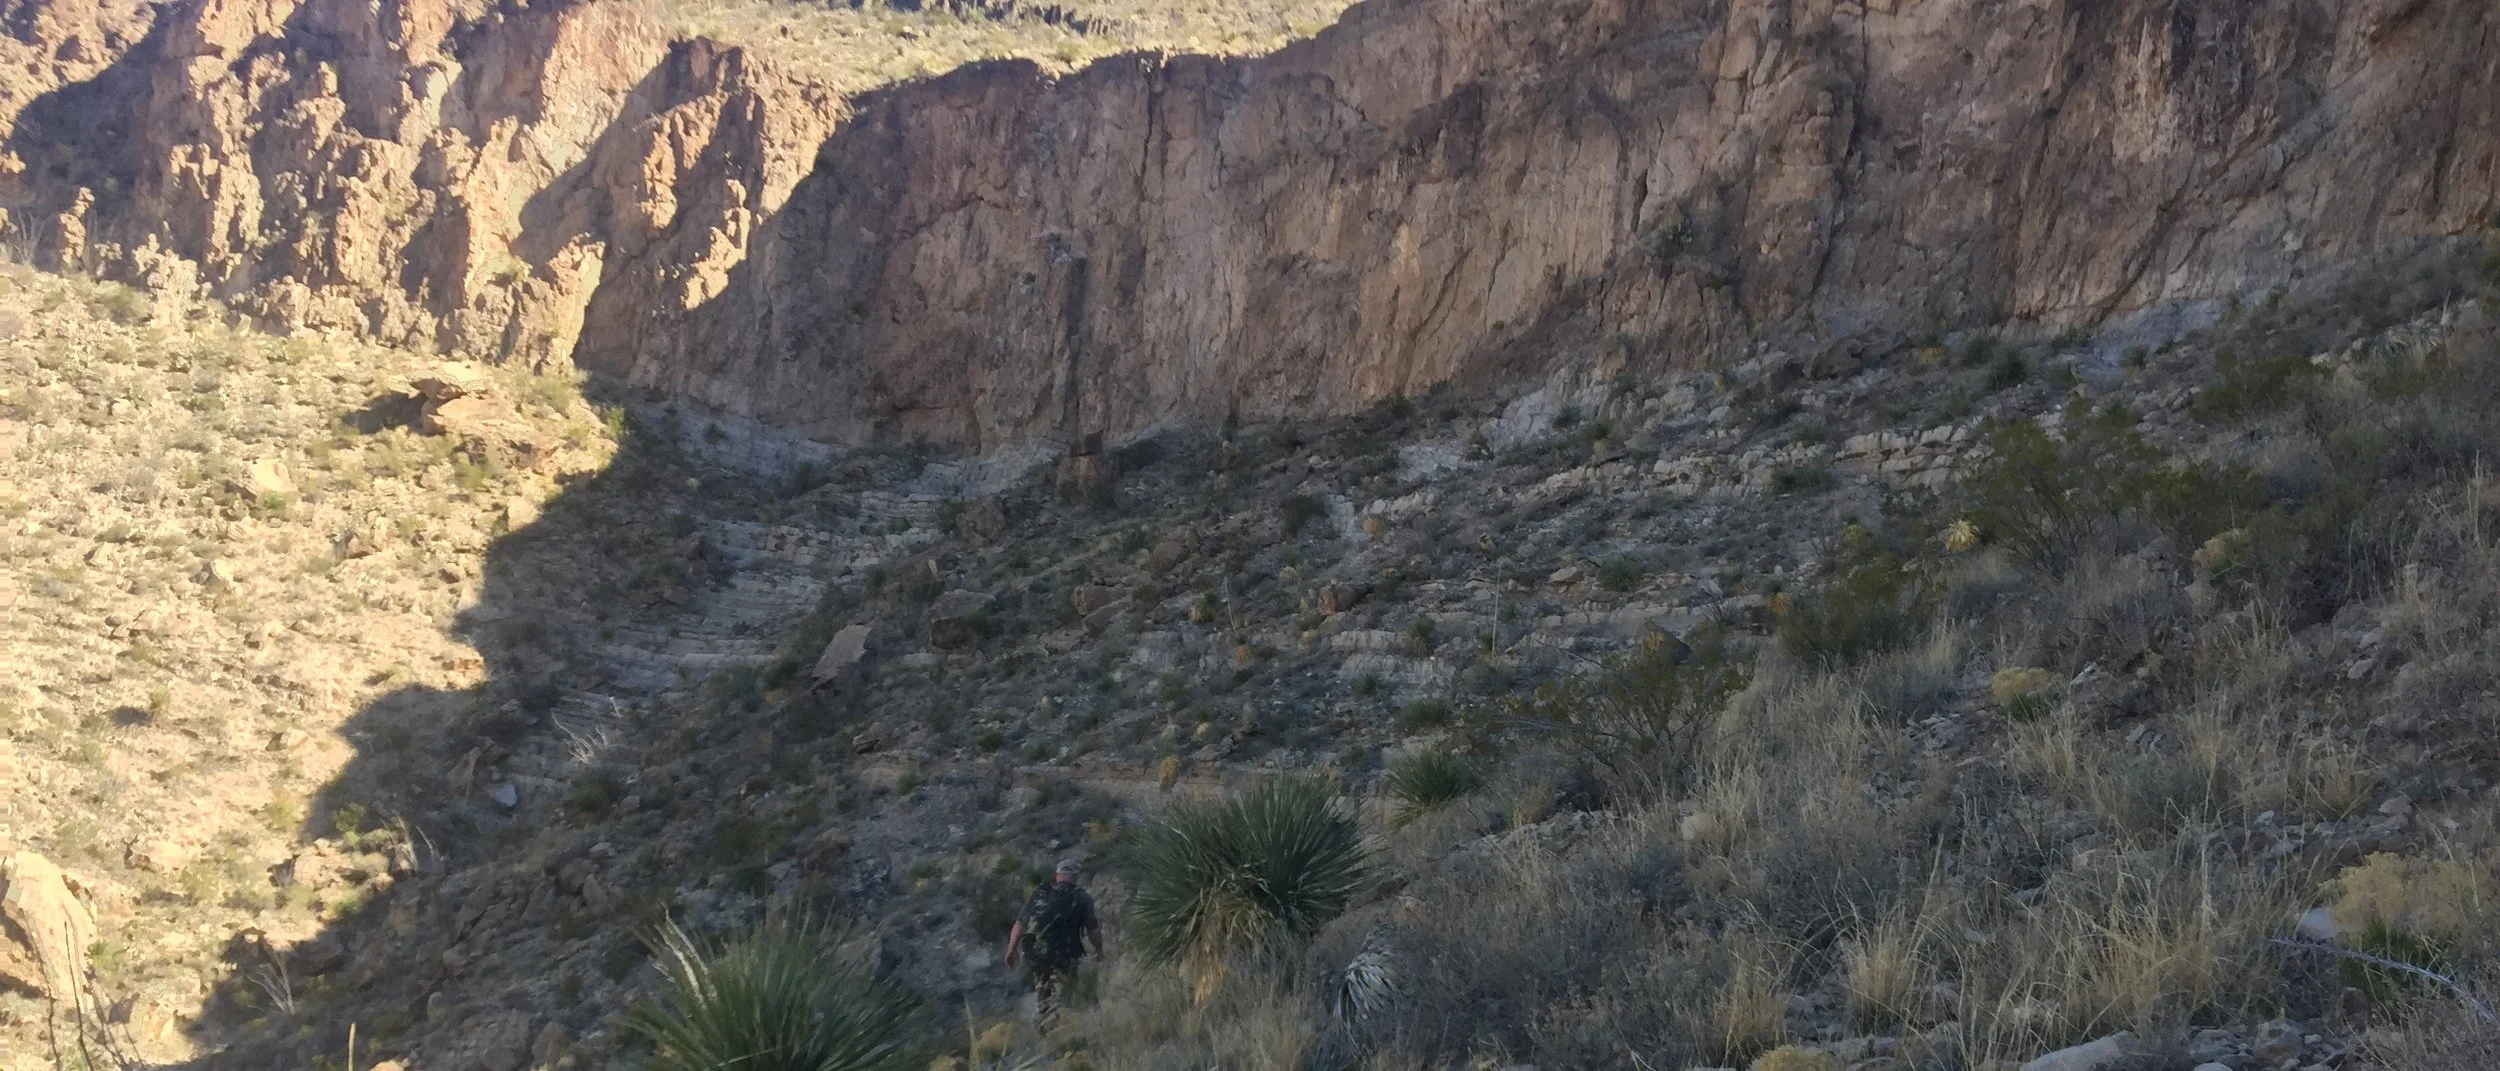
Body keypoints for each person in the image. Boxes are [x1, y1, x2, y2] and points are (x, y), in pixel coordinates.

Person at [1003, 858, 1103, 1027]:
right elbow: (1092, 930)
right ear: (1075, 876)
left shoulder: (1039, 892)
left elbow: (1020, 924)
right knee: (1065, 995)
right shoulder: (1081, 897)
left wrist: (1011, 949)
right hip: (1064, 954)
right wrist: (1099, 950)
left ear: (1058, 875)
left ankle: (1041, 1024)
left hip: (1035, 953)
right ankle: (1058, 1032)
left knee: (1043, 989)